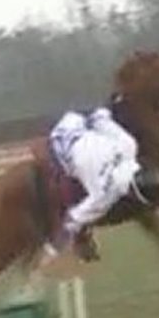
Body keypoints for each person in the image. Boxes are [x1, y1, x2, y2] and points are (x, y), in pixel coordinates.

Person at [44, 106, 144, 258]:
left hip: (73, 122)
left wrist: (105, 111)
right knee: (77, 192)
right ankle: (82, 239)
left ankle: (82, 237)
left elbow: (100, 119)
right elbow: (73, 220)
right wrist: (51, 251)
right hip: (62, 145)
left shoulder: (129, 146)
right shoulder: (105, 197)